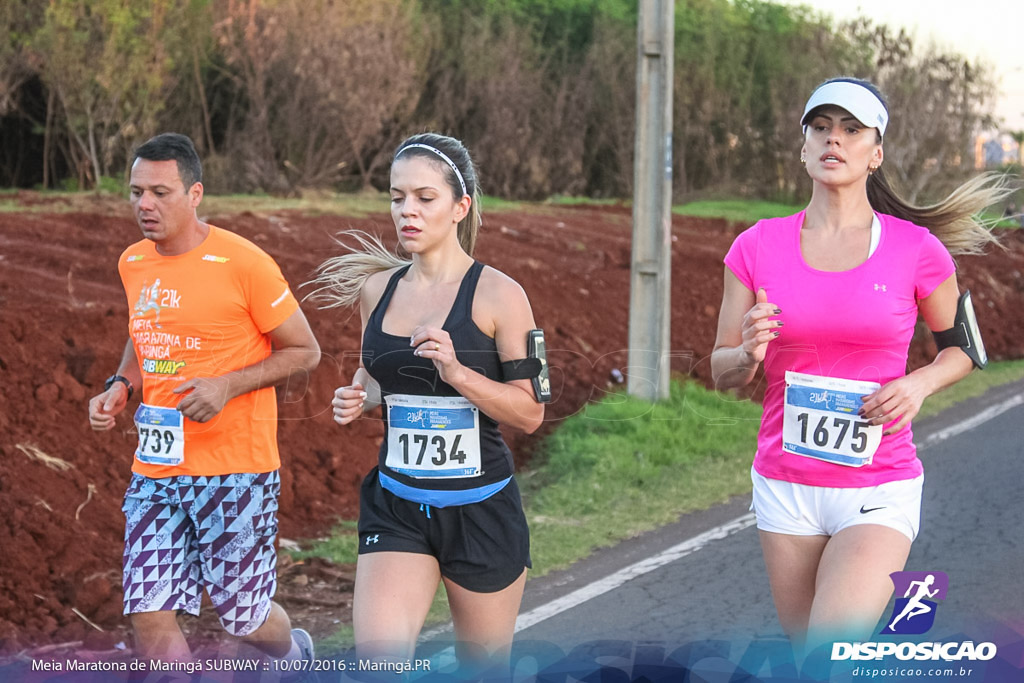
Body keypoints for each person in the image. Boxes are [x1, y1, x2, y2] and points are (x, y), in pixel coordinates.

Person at [711, 78, 1010, 653]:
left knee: (831, 652)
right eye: (820, 128)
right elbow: (722, 372)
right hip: (785, 483)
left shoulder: (917, 249)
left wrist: (918, 383)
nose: (834, 140)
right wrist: (746, 353)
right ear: (802, 148)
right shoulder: (755, 247)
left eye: (851, 130)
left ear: (875, 153)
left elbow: (964, 349)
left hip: (878, 485)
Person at [309, 133, 544, 672]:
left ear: (460, 207)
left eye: (424, 197)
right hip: (398, 506)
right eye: (396, 198)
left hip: (480, 509)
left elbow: (529, 413)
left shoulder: (499, 295)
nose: (406, 211)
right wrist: (359, 396)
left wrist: (457, 371)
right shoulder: (378, 290)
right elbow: (379, 374)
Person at [87, 133, 321, 666]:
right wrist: (121, 386)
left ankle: (295, 657)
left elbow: (305, 351)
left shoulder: (245, 263)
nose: (144, 204)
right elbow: (145, 332)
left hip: (236, 470)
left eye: (160, 193)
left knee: (245, 616)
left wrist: (226, 386)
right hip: (157, 470)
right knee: (148, 606)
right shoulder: (133, 263)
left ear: (194, 194)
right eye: (136, 192)